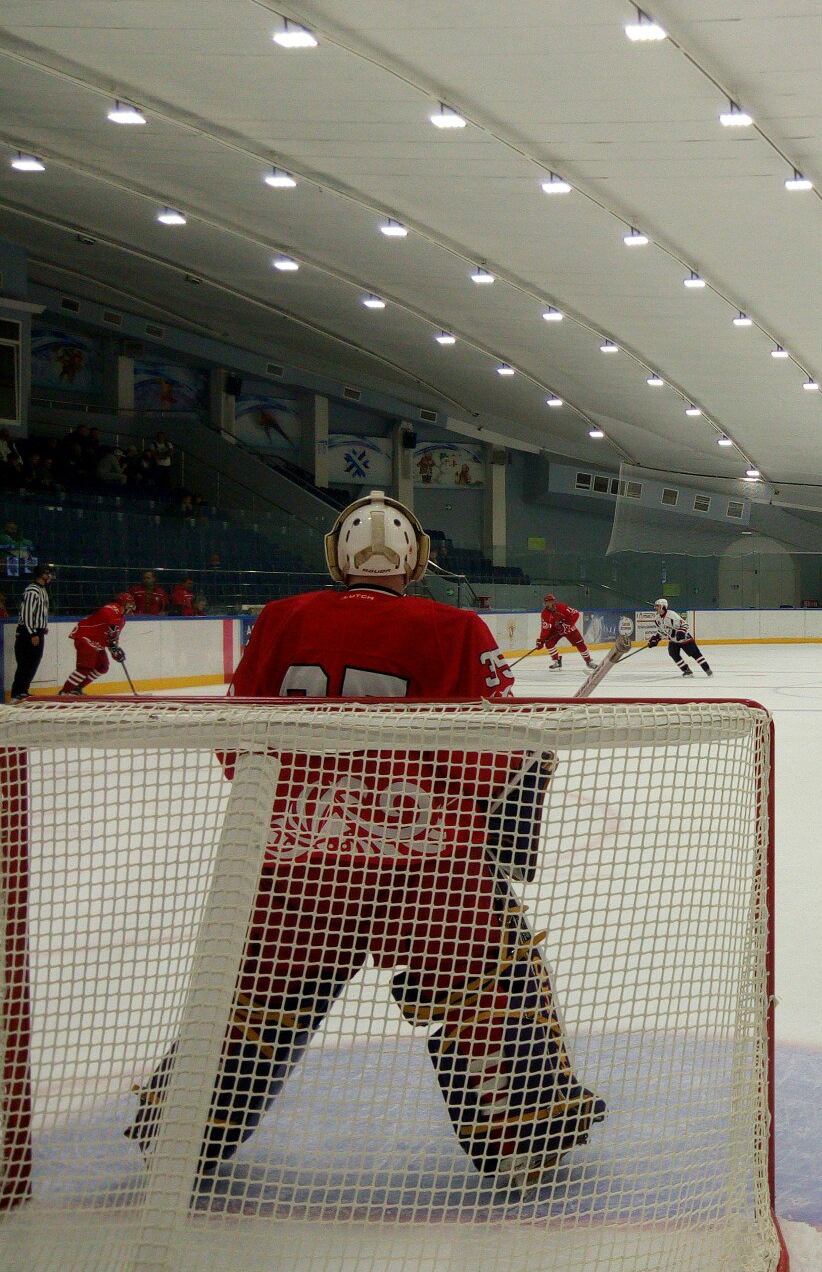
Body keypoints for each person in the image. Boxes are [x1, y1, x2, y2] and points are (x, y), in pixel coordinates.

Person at [125, 491, 601, 1189]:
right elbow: (486, 759)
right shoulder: (454, 626)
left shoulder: (281, 620)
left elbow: (237, 745)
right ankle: (520, 1137)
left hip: (293, 860)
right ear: (414, 558)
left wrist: (304, 808)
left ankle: (184, 1132)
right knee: (490, 983)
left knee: (254, 999)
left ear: (337, 556)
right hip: (428, 864)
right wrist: (527, 770)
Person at [61, 594, 131, 695]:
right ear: (123, 603)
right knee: (85, 668)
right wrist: (112, 627)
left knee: (102, 666)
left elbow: (112, 638)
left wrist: (115, 652)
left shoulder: (122, 619)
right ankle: (64, 692)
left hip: (97, 642)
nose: (130, 606)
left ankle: (76, 688)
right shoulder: (112, 608)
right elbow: (106, 614)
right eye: (129, 604)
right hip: (86, 637)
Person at [9, 563, 51, 701]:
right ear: (42, 574)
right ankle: (17, 693)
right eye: (48, 573)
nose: (50, 576)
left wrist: (42, 627)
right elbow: (27, 614)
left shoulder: (42, 590)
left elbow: (39, 613)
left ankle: (23, 691)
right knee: (25, 663)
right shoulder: (32, 590)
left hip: (36, 631)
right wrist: (32, 633)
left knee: (33, 662)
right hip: (27, 632)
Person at [648, 597, 711, 676]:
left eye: (657, 606)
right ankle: (687, 670)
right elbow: (662, 631)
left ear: (663, 606)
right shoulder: (657, 619)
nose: (655, 608)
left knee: (695, 654)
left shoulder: (671, 615)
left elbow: (684, 624)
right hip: (673, 640)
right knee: (673, 653)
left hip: (685, 639)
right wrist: (655, 639)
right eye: (655, 606)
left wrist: (681, 633)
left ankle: (707, 669)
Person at [535, 592, 595, 672]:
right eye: (546, 602)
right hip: (556, 630)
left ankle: (588, 661)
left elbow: (575, 613)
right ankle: (557, 662)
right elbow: (545, 628)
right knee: (548, 643)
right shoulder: (545, 614)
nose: (547, 604)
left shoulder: (562, 607)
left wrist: (567, 625)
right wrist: (541, 640)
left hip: (569, 628)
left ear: (554, 602)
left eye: (549, 602)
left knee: (580, 643)